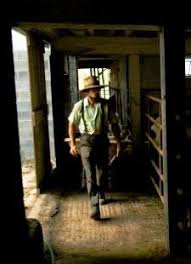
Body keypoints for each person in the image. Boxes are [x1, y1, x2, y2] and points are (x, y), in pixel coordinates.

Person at [68, 75, 121, 220]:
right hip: (86, 141)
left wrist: (118, 142)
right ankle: (94, 206)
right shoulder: (79, 106)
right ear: (87, 91)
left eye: (97, 89)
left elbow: (114, 124)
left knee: (102, 172)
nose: (95, 92)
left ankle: (101, 193)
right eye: (92, 89)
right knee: (90, 174)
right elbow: (72, 125)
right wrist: (73, 144)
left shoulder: (105, 105)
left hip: (102, 140)